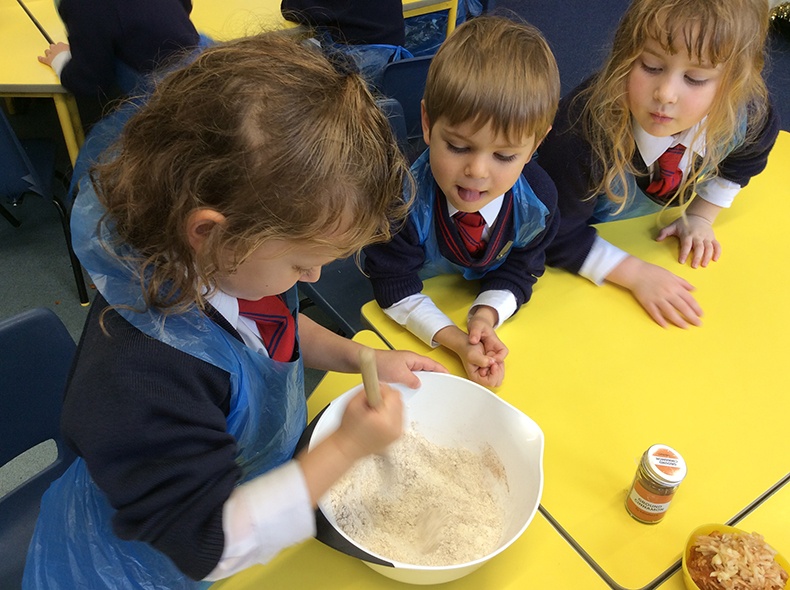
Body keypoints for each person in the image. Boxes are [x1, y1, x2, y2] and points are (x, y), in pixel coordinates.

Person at [23, 32, 446, 589]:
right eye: (303, 264)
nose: (314, 278)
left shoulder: (230, 263)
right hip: (135, 568)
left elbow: (275, 331)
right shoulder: (143, 380)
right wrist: (346, 447)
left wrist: (360, 356)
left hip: (237, 497)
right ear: (209, 232)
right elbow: (209, 546)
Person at [538, 0, 781, 329]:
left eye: (695, 78)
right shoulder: (580, 131)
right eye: (651, 66)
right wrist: (635, 273)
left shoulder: (747, 113)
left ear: (733, 84)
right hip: (575, 261)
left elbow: (747, 158)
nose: (665, 93)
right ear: (624, 57)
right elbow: (554, 232)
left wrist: (701, 216)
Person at [364, 16, 561, 388]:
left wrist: (485, 315)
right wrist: (456, 342)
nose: (477, 171)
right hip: (402, 335)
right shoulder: (401, 197)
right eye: (457, 146)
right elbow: (393, 284)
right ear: (427, 123)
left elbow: (522, 268)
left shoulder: (539, 202)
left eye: (504, 156)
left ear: (535, 145)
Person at [38, 0, 201, 102]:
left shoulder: (82, 5)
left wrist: (60, 59)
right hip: (201, 56)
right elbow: (185, 6)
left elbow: (90, 82)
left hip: (164, 91)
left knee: (94, 149)